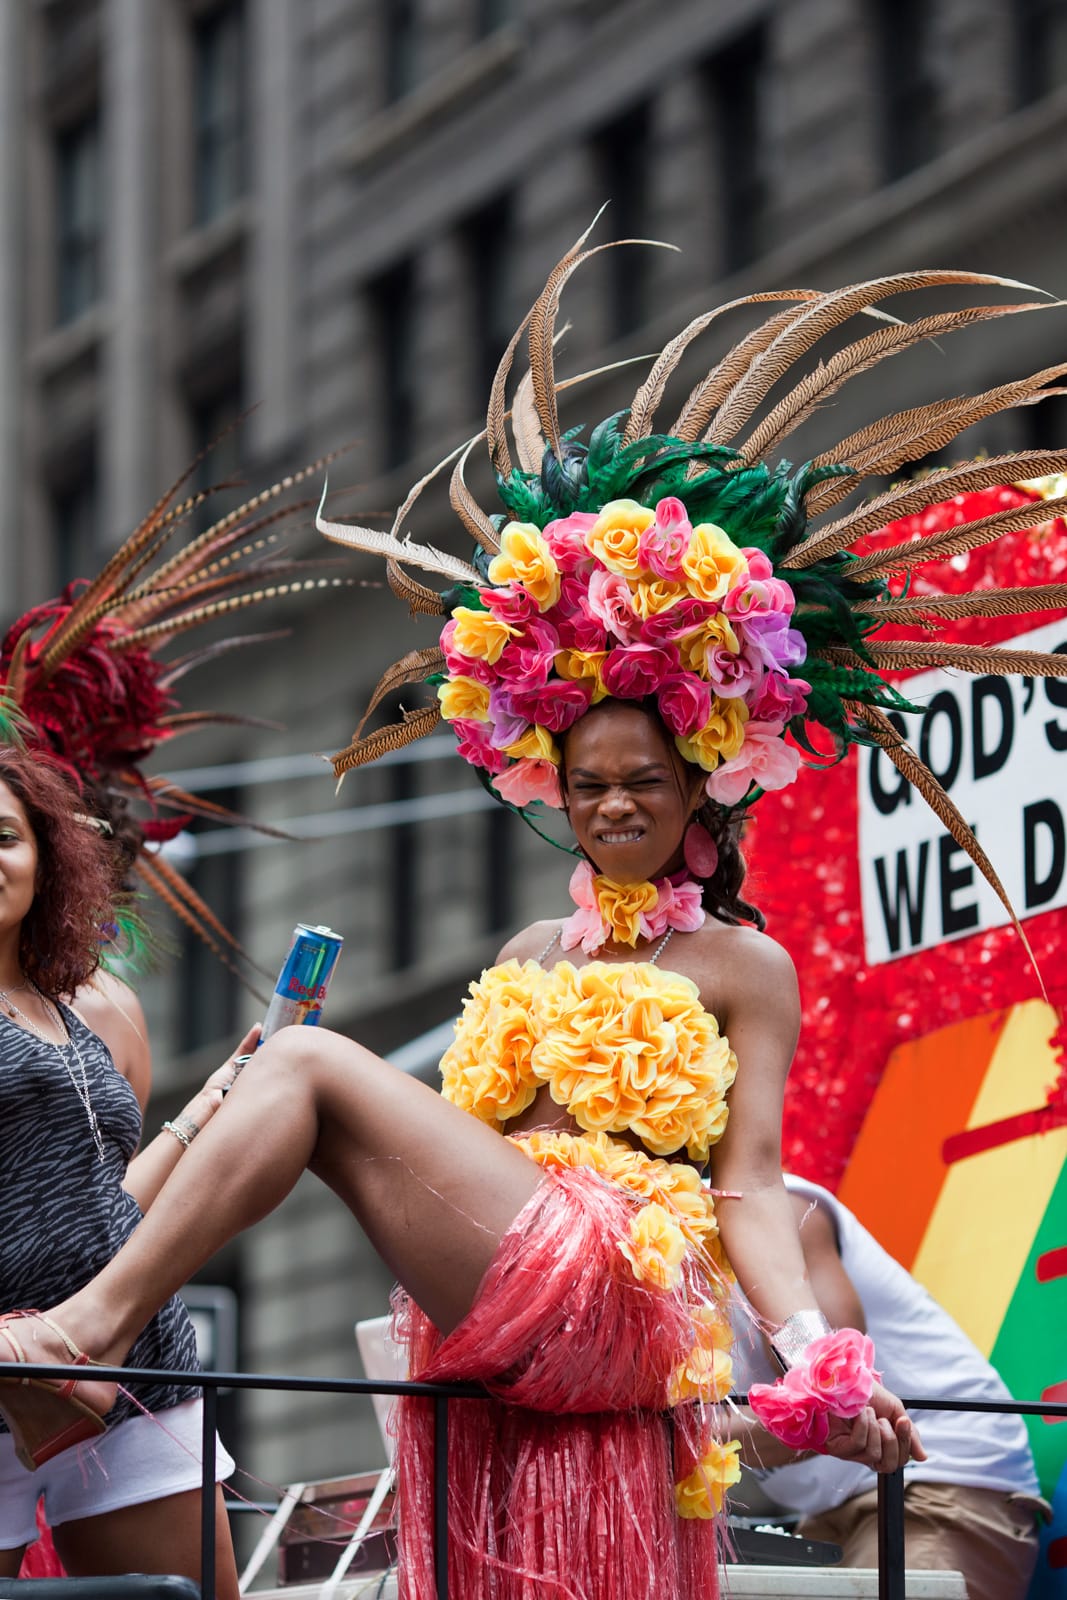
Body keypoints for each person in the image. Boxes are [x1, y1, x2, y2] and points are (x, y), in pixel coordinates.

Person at [2, 248, 1065, 1600]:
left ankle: (89, 1336)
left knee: (315, 1065)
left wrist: (814, 1362)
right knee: (289, 1080)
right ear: (550, 796)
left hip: (632, 1290)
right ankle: (89, 1334)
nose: (611, 806)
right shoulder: (522, 959)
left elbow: (749, 1188)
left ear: (700, 787)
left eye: (640, 783)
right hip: (519, 1295)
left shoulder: (745, 964)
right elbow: (461, 1166)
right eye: (586, 787)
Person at [0, 745, 255, 1594]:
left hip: (136, 1378)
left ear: (43, 860)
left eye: (3, 836)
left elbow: (103, 1210)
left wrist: (205, 1109)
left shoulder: (80, 1011)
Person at [729, 1176, 1047, 1600]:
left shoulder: (781, 1210)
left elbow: (837, 1394)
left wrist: (674, 1437)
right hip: (827, 1511)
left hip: (939, 1479)